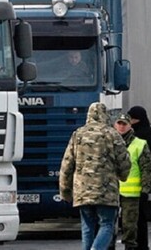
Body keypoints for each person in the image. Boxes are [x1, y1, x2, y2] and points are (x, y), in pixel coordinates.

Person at [59, 102, 131, 250]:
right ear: (106, 116)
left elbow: (67, 164)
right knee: (106, 224)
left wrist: (65, 190)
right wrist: (123, 176)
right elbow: (124, 162)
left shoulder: (78, 134)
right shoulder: (113, 135)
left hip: (83, 191)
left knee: (87, 226)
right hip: (106, 191)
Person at [114, 113, 151, 250]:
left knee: (129, 226)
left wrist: (145, 189)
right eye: (119, 123)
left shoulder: (139, 144)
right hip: (111, 192)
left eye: (124, 124)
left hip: (132, 194)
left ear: (130, 125)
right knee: (109, 226)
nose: (121, 127)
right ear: (115, 125)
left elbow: (147, 168)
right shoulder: (109, 143)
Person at [127, 106, 151, 250]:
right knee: (140, 219)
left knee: (135, 220)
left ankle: (138, 246)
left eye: (131, 118)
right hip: (141, 184)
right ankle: (143, 246)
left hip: (135, 186)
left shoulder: (138, 136)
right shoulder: (149, 132)